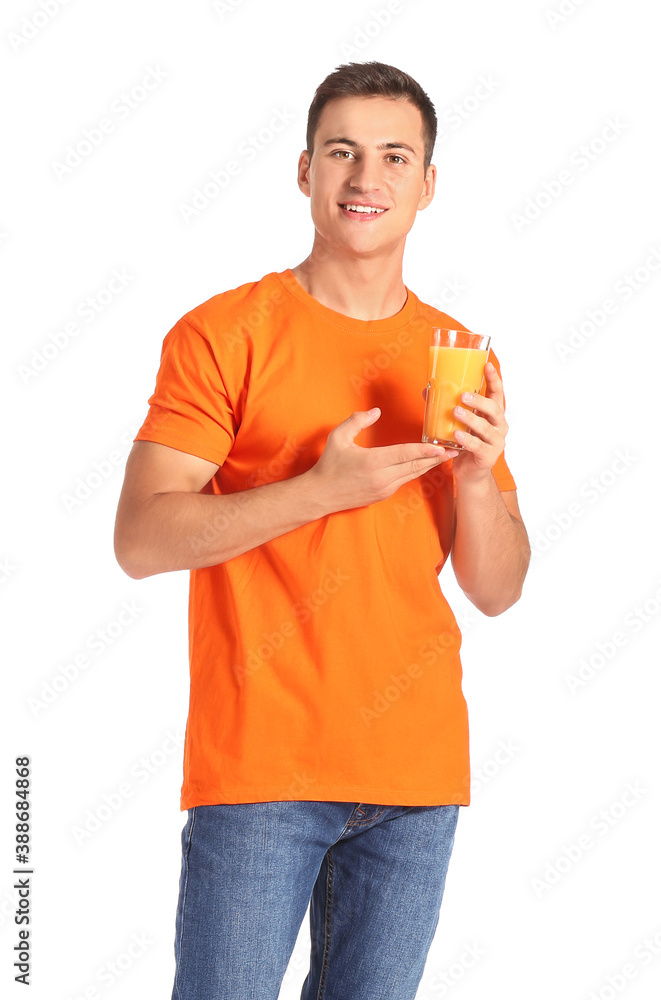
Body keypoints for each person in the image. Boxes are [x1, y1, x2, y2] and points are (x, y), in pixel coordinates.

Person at [114, 60, 530, 1000]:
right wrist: (315, 489)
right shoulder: (224, 333)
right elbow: (140, 538)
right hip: (263, 767)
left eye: (394, 156)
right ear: (304, 171)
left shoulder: (458, 356)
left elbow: (498, 588)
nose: (364, 179)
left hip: (416, 778)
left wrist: (474, 475)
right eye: (341, 151)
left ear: (428, 185)